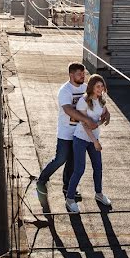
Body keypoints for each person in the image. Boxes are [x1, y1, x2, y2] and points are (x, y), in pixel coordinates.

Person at [35, 62, 108, 199]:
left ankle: (67, 187)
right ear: (71, 75)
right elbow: (68, 109)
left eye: (84, 73)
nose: (83, 76)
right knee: (61, 159)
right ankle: (41, 181)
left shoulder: (86, 88)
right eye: (79, 74)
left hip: (81, 133)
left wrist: (106, 113)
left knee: (73, 162)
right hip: (66, 132)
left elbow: (98, 100)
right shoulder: (65, 90)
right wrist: (87, 120)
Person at [65, 73, 112, 213]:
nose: (100, 89)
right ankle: (70, 199)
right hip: (81, 138)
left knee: (98, 167)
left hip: (94, 138)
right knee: (79, 169)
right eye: (98, 86)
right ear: (91, 87)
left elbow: (102, 115)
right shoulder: (83, 101)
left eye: (102, 86)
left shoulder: (102, 100)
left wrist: (105, 117)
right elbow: (85, 124)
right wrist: (95, 142)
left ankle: (99, 194)